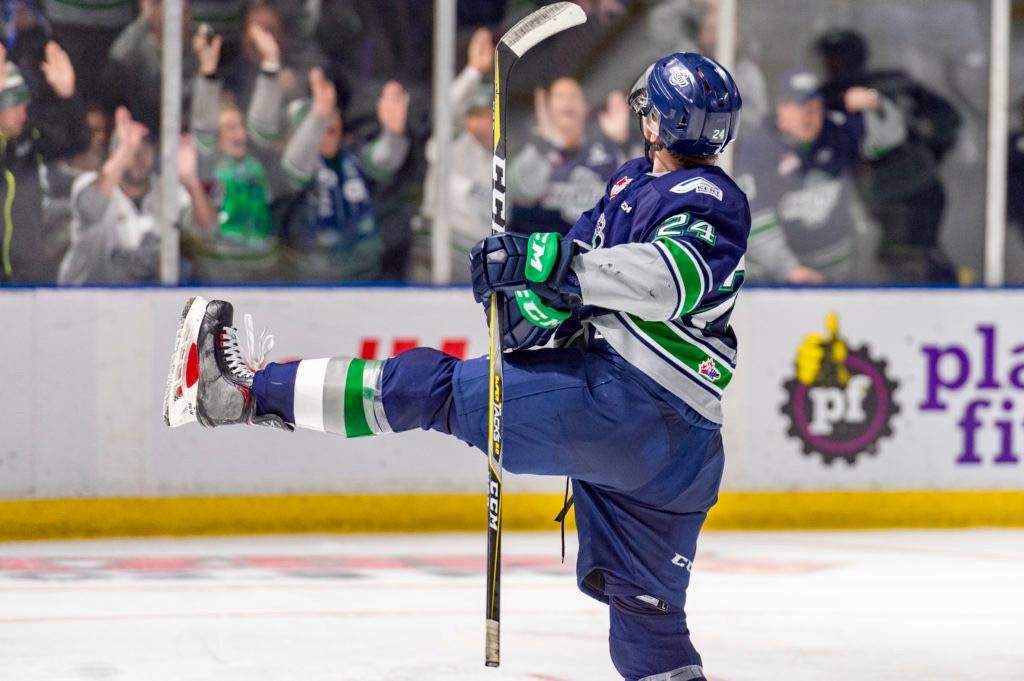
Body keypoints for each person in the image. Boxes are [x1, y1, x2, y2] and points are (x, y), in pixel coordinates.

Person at [164, 52, 745, 681]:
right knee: (650, 625)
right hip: (679, 453)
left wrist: (556, 270)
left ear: (658, 121)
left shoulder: (710, 197)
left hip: (629, 407)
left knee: (432, 389)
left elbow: (665, 280)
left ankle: (246, 394)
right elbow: (568, 273)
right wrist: (525, 297)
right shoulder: (632, 182)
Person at [813, 28, 961, 283]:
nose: (831, 65)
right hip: (906, 189)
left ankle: (949, 307)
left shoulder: (883, 86)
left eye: (833, 58)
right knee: (910, 254)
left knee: (908, 257)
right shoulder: (840, 93)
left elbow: (948, 121)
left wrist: (921, 157)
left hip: (908, 193)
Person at [278, 67, 410, 282]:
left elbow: (383, 160)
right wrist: (318, 117)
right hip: (310, 276)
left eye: (333, 113)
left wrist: (394, 135)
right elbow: (296, 165)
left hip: (365, 273)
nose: (329, 120)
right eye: (318, 119)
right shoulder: (298, 169)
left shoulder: (354, 156)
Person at [58, 107, 216, 284]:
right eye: (132, 150)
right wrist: (125, 150)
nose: (138, 156)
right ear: (114, 154)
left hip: (149, 302)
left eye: (145, 149)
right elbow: (91, 208)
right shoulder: (92, 183)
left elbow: (207, 233)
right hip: (83, 301)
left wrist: (192, 183)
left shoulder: (168, 190)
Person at [185, 22, 283, 283]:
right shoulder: (209, 165)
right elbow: (203, 130)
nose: (239, 134)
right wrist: (207, 74)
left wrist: (271, 63)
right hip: (221, 278)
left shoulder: (258, 164)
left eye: (240, 126)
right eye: (229, 127)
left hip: (267, 277)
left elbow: (264, 126)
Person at [0, 40, 89, 284]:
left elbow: (77, 142)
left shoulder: (30, 138)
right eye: (14, 103)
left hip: (30, 277)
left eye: (24, 103)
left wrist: (68, 96)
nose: (23, 112)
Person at [507, 76, 630, 235]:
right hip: (542, 247)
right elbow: (521, 193)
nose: (568, 102)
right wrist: (548, 145)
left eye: (574, 96)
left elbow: (633, 197)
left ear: (585, 107)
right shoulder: (534, 149)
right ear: (548, 107)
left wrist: (621, 144)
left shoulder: (608, 150)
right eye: (560, 97)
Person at [420, 27, 495, 281]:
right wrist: (474, 71)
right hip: (437, 253)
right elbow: (446, 112)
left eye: (488, 114)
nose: (484, 121)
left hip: (477, 261)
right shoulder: (452, 143)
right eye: (475, 115)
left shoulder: (500, 159)